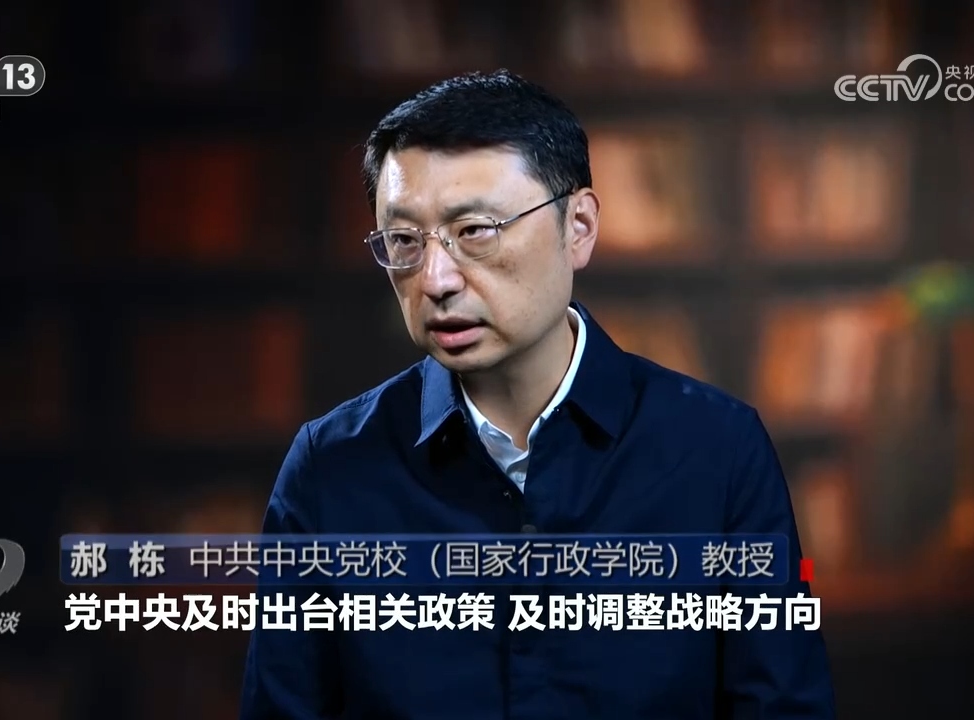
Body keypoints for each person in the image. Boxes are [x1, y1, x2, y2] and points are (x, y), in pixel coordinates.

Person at [240, 69, 834, 719]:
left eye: (475, 230)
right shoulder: (330, 468)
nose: (435, 279)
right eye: (405, 241)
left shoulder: (718, 452)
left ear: (578, 226)